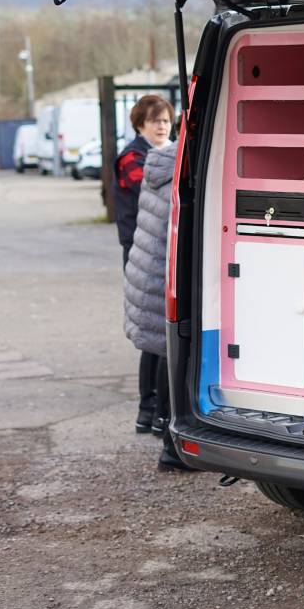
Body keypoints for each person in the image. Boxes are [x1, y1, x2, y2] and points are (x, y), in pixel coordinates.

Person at [123, 133, 194, 471]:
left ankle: (155, 421)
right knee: (174, 358)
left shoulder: (159, 163)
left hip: (148, 276)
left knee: (164, 354)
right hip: (163, 279)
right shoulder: (182, 172)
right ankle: (171, 445)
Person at [116, 95, 173, 434]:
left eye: (165, 120)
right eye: (155, 120)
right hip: (142, 254)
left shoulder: (166, 155)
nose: (162, 126)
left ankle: (151, 413)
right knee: (152, 335)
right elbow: (148, 189)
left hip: (154, 252)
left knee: (155, 334)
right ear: (140, 124)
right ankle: (148, 409)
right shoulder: (134, 159)